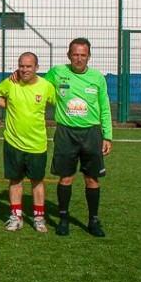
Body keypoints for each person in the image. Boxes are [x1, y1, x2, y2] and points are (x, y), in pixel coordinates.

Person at [44, 37, 112, 237]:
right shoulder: (57, 73)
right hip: (66, 132)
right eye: (75, 54)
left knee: (92, 179)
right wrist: (18, 75)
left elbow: (105, 109)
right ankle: (63, 220)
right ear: (68, 55)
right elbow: (36, 85)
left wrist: (107, 136)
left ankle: (93, 221)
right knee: (66, 178)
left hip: (91, 133)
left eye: (83, 55)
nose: (79, 58)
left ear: (89, 56)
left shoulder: (98, 78)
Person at [0, 52, 56, 233]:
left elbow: (60, 103)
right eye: (21, 66)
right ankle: (16, 217)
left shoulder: (46, 87)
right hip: (13, 142)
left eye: (29, 66)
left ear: (37, 68)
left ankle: (38, 218)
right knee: (15, 180)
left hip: (37, 144)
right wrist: (7, 105)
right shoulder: (11, 83)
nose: (24, 69)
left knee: (37, 181)